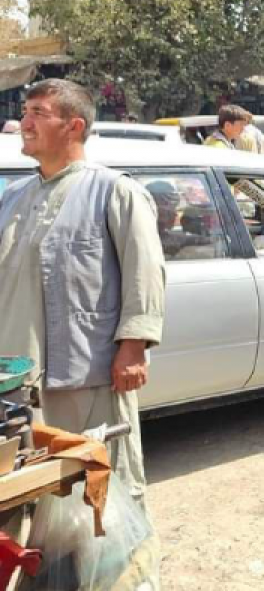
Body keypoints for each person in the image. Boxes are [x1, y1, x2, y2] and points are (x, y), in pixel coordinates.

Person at [0, 80, 165, 509]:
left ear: (73, 126)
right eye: (25, 112)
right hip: (18, 378)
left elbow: (145, 271)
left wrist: (134, 346)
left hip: (85, 371)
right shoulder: (13, 197)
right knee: (32, 492)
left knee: (96, 488)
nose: (25, 123)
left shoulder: (115, 191)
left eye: (38, 113)